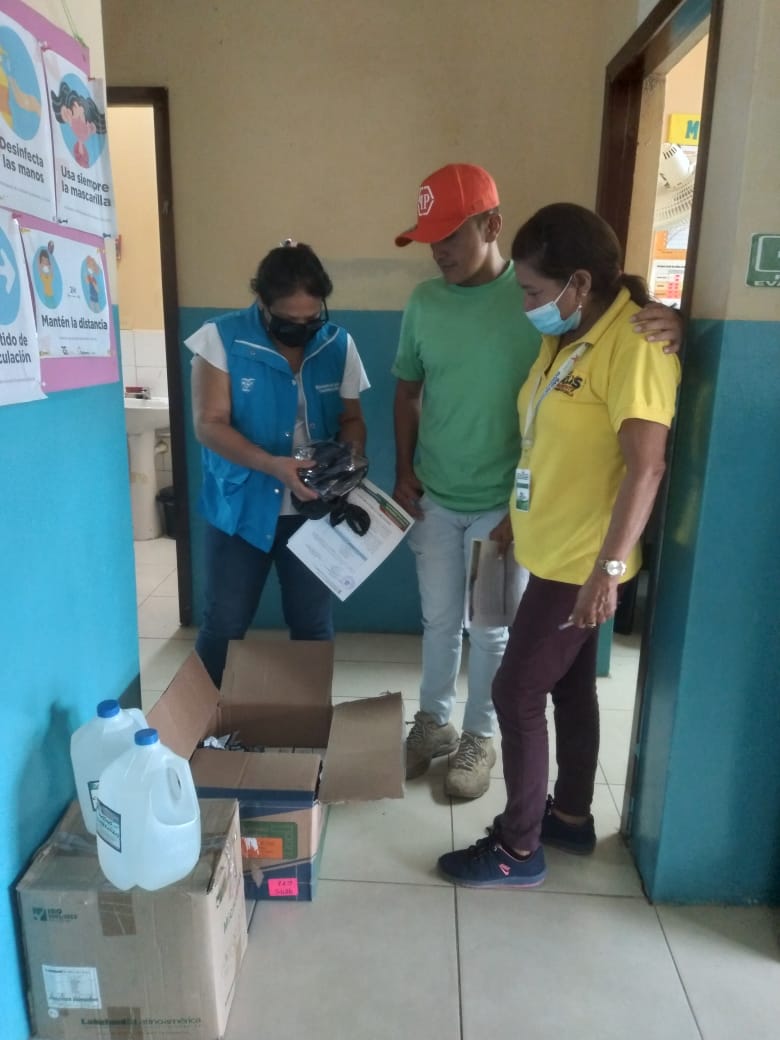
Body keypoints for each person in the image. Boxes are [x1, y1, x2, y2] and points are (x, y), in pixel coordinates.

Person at [392, 164, 682, 800]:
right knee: (438, 620)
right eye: (429, 238)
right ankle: (433, 723)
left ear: (491, 225)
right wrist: (404, 469)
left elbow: (617, 325)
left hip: (507, 507)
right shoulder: (428, 302)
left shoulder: (542, 298)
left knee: (491, 627)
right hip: (438, 494)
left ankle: (479, 737)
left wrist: (675, 320)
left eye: (451, 234)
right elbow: (408, 388)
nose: (438, 250)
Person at [186, 241, 369, 687]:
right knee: (224, 623)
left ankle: (307, 721)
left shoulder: (338, 344)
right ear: (262, 303)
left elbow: (351, 419)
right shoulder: (221, 339)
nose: (302, 330)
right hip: (241, 508)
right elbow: (209, 424)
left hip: (313, 511)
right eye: (288, 321)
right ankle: (203, 720)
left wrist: (348, 462)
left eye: (312, 320)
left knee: (312, 625)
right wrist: (272, 464)